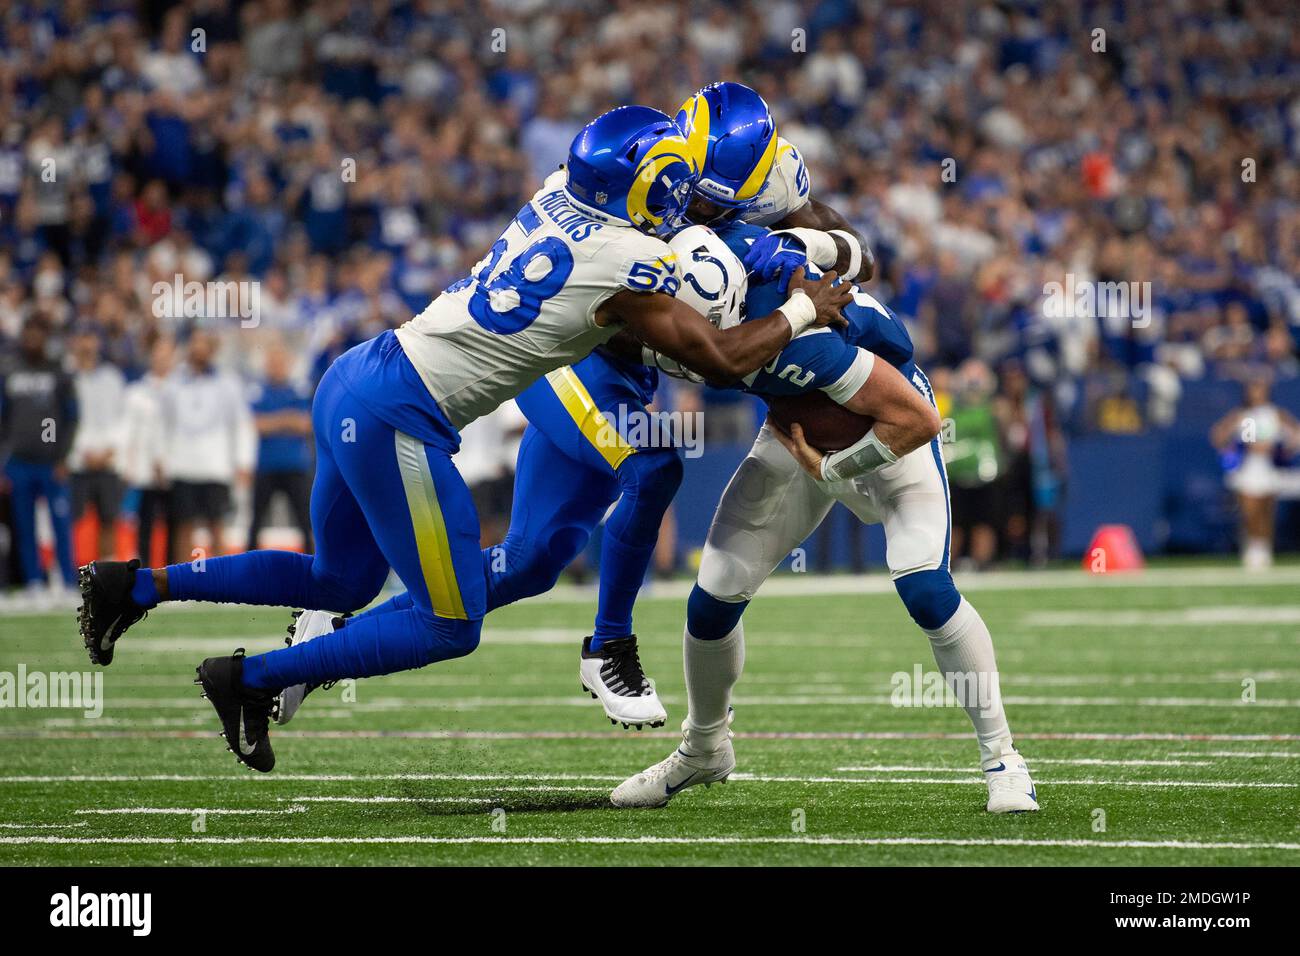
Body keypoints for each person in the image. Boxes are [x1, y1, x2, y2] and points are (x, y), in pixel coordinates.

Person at [76, 106, 851, 773]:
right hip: (400, 419)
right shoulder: (631, 263)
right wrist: (804, 307)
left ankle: (136, 587)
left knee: (340, 581)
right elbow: (718, 359)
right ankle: (249, 678)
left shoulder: (556, 194)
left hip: (358, 373)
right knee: (451, 623)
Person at [482, 82, 876, 730]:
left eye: (712, 201)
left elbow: (861, 261)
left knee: (524, 565)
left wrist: (814, 244)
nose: (688, 203)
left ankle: (333, 633)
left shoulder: (772, 186)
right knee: (655, 465)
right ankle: (610, 643)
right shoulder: (635, 167)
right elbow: (696, 346)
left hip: (622, 378)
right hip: (570, 351)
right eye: (690, 186)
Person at [610, 221, 1039, 814]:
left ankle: (1003, 757)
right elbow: (806, 241)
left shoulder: (807, 338)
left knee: (926, 591)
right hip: (796, 437)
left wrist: (837, 467)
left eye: (699, 332)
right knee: (712, 598)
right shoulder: (717, 263)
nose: (686, 343)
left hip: (884, 435)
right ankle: (705, 749)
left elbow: (916, 421)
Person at [162, 329, 256, 562]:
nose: (199, 348)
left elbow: (242, 425)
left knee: (217, 525)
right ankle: (181, 586)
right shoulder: (174, 383)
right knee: (183, 527)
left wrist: (244, 461)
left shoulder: (228, 384)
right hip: (182, 465)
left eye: (204, 343)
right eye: (195, 343)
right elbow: (165, 425)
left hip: (216, 465)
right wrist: (163, 459)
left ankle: (225, 585)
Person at [1, 316, 78, 590]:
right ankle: (34, 580)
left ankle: (68, 580)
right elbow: (3, 420)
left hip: (51, 463)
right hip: (19, 463)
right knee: (24, 525)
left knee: (60, 523)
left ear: (46, 338)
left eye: (38, 335)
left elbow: (71, 418)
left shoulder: (58, 372)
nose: (32, 341)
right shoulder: (9, 372)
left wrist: (63, 456)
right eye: (28, 335)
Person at [1211, 376, 1300, 570]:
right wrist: (1231, 448)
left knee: (1266, 511)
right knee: (1249, 511)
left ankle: (1264, 549)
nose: (1257, 393)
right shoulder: (1244, 415)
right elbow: (1221, 435)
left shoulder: (1276, 414)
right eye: (1253, 389)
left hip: (1270, 468)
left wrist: (1286, 447)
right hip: (1248, 468)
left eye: (1260, 389)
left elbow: (1294, 434)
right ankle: (1252, 547)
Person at [246, 344, 314, 553]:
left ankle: (315, 568)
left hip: (295, 465)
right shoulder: (258, 391)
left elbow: (306, 424)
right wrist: (288, 420)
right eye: (272, 363)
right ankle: (249, 568)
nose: (276, 367)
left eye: (280, 363)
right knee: (256, 521)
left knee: (306, 521)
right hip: (266, 466)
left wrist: (273, 422)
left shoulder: (300, 390)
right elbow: (256, 425)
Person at [68, 329, 127, 563]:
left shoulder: (113, 378)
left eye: (90, 338)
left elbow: (122, 417)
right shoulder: (66, 377)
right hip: (75, 462)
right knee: (71, 520)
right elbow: (54, 421)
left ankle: (106, 575)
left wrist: (111, 449)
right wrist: (76, 452)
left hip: (108, 460)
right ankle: (70, 574)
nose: (87, 345)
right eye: (82, 339)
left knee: (109, 519)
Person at [119, 338, 175, 565]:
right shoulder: (136, 392)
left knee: (175, 522)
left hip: (175, 467)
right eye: (158, 354)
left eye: (166, 354)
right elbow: (127, 432)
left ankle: (172, 574)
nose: (162, 359)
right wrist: (127, 464)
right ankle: (146, 572)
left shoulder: (180, 390)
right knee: (146, 523)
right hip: (145, 468)